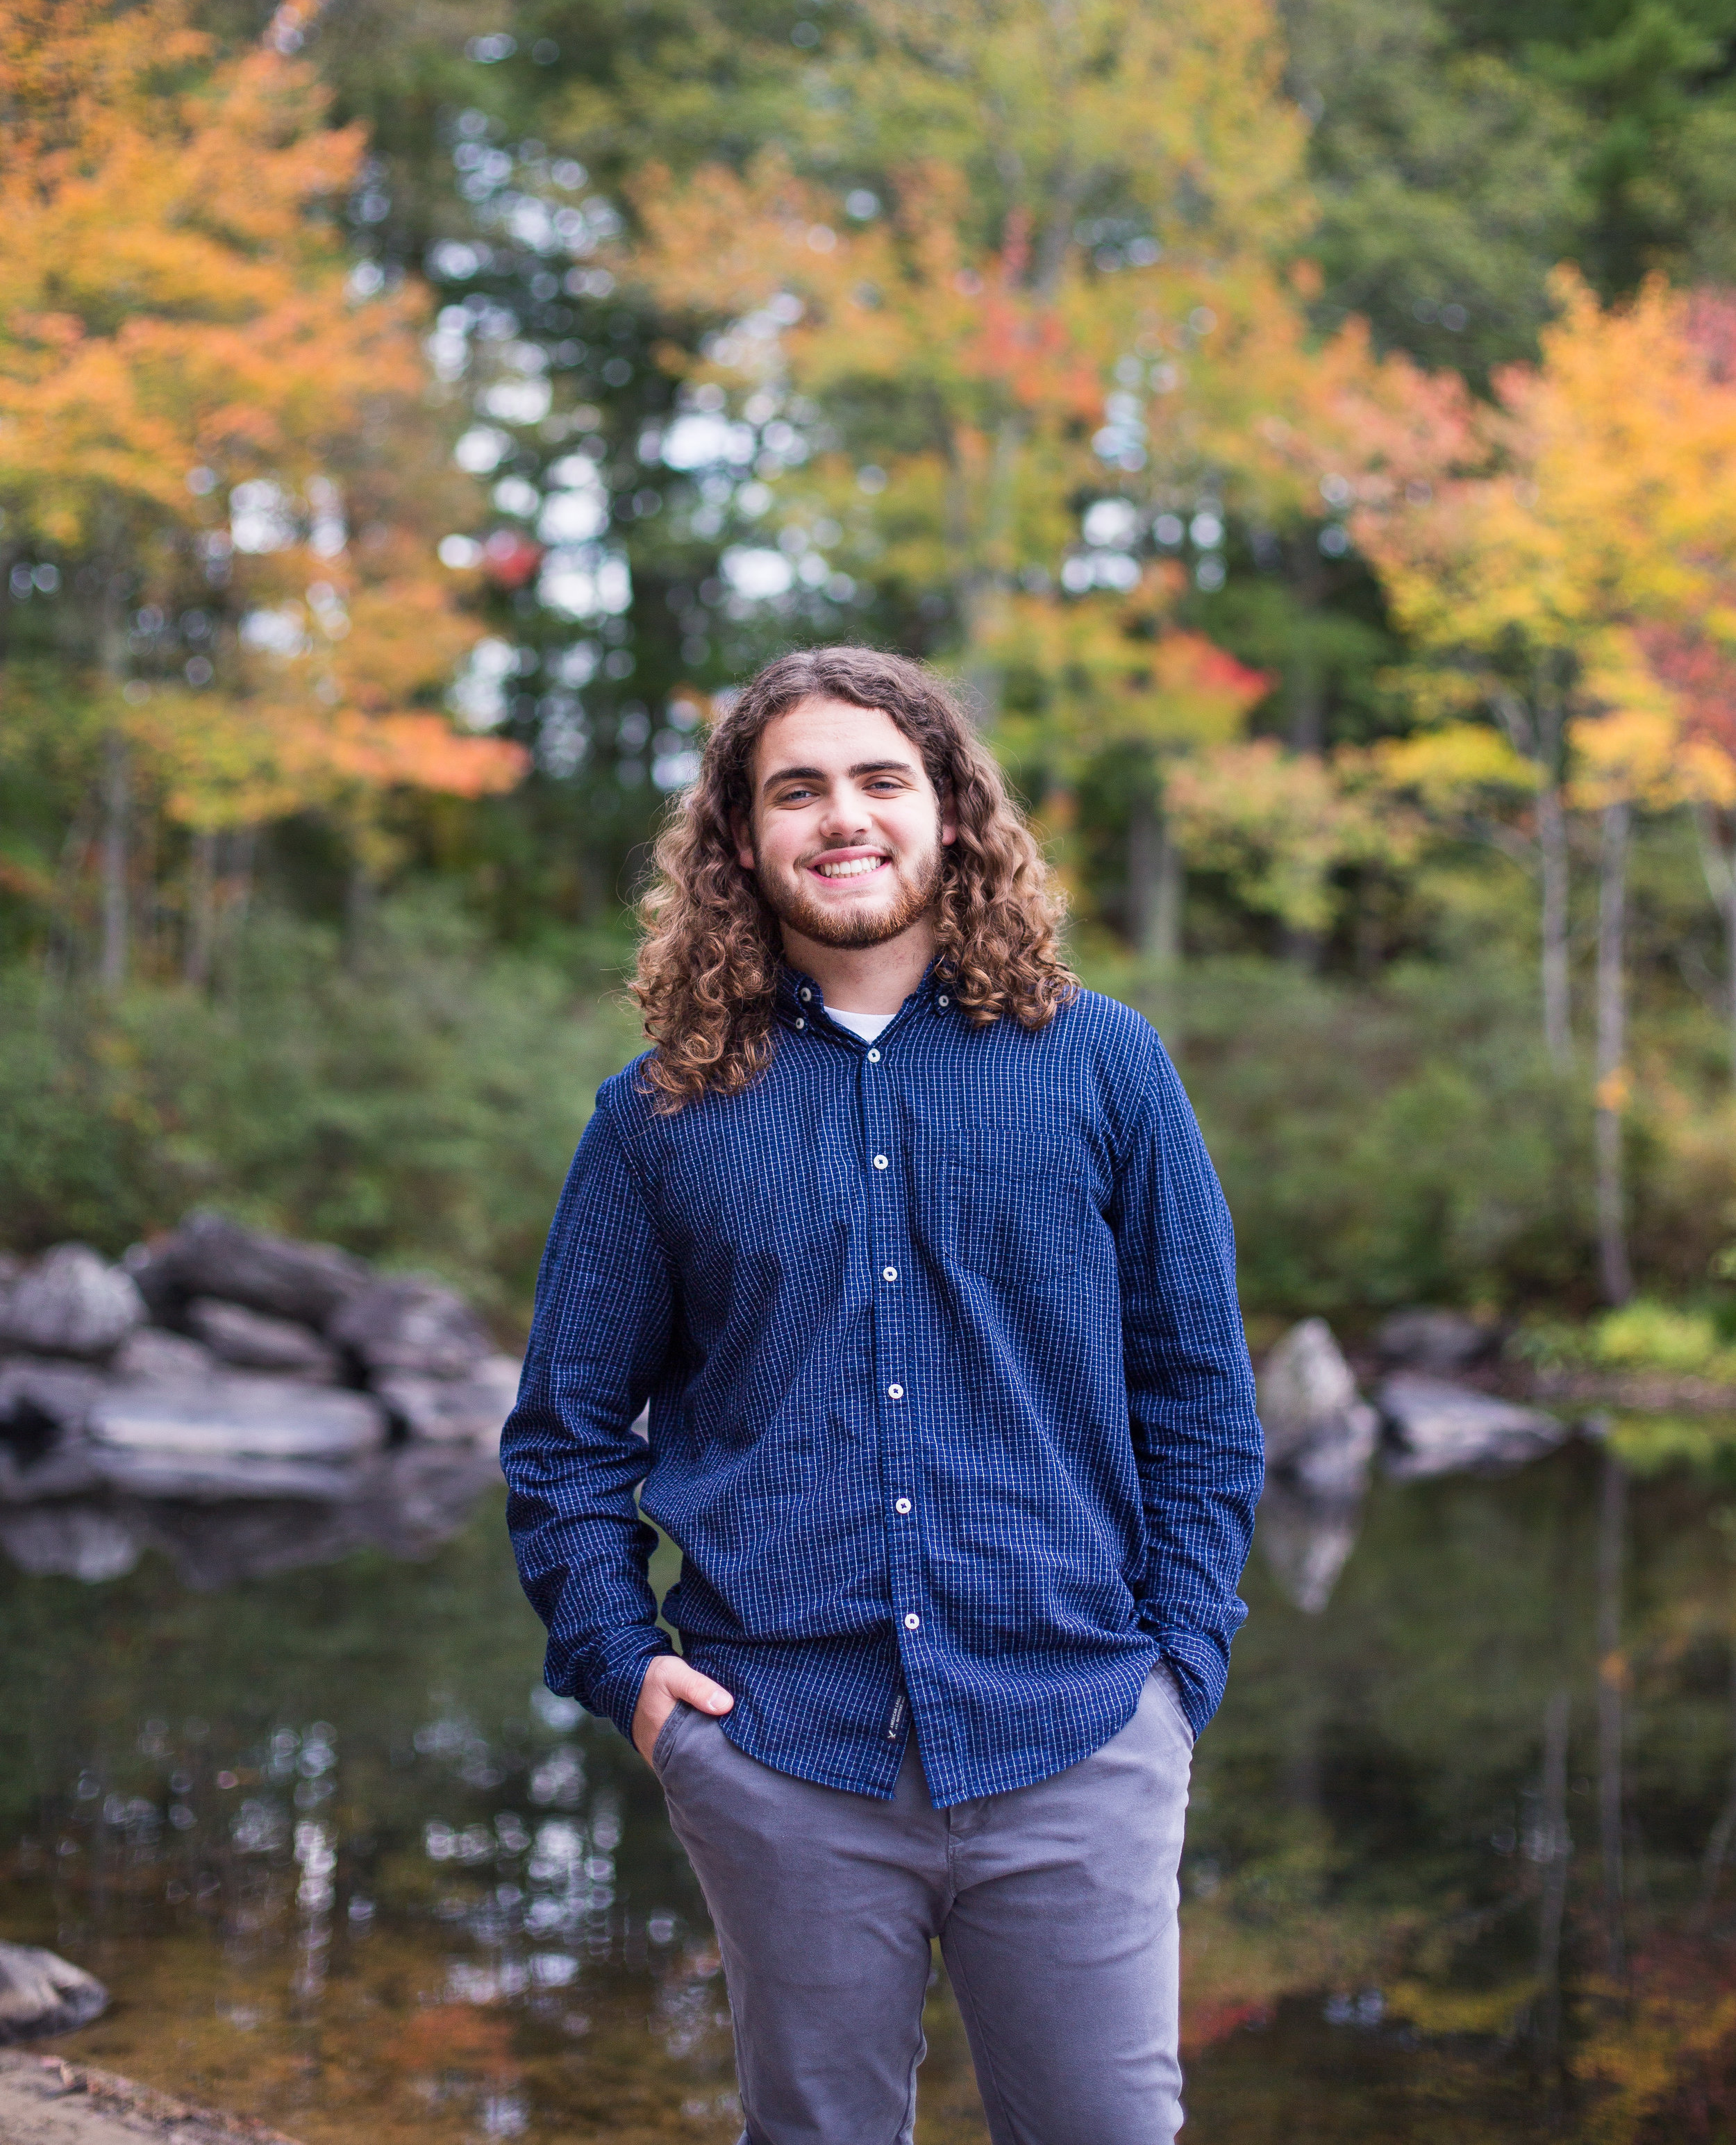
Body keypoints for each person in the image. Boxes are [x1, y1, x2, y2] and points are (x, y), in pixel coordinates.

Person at [502, 644, 1263, 2145]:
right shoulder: (656, 1112)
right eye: (797, 790)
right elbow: (565, 1436)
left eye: (877, 781)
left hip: (1079, 1727)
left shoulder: (1104, 1066)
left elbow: (1198, 1398)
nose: (840, 817)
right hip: (779, 1750)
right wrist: (629, 1675)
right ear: (740, 841)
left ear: (950, 812)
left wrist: (1174, 1675)